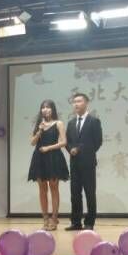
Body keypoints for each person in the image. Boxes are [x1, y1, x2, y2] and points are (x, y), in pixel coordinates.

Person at [28, 100, 69, 231]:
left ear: (53, 109)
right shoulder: (39, 125)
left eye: (48, 107)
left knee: (54, 188)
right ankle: (45, 218)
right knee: (42, 189)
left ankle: (54, 218)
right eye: (43, 107)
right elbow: (32, 143)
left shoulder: (58, 123)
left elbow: (64, 142)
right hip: (39, 158)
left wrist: (48, 148)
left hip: (53, 157)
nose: (45, 109)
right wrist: (39, 131)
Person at [65, 93, 102, 231]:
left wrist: (81, 150)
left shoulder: (94, 121)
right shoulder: (70, 123)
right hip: (74, 163)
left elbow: (98, 142)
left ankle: (89, 222)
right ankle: (76, 222)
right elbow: (67, 141)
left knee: (90, 193)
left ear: (86, 103)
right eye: (74, 101)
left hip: (88, 163)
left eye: (79, 101)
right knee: (75, 194)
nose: (76, 104)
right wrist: (70, 149)